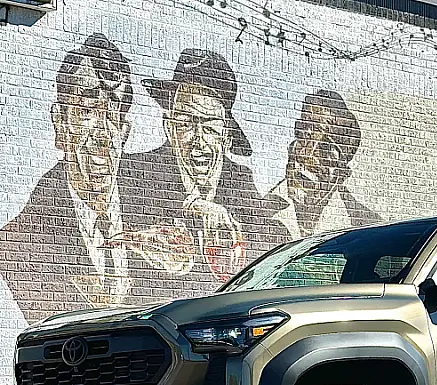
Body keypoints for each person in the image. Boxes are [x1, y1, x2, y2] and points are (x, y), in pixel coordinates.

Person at [121, 49, 289, 293]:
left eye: (209, 126)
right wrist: (191, 204)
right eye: (186, 123)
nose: (197, 140)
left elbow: (261, 241)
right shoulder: (139, 173)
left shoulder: (241, 181)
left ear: (227, 135)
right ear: (168, 128)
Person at [0, 34, 134, 322]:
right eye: (87, 112)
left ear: (126, 132)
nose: (103, 134)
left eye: (115, 115)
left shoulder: (153, 213)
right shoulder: (22, 242)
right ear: (60, 124)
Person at [270, 90, 381, 240]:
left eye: (320, 133)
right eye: (301, 129)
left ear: (341, 173)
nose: (307, 150)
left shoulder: (365, 226)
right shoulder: (261, 211)